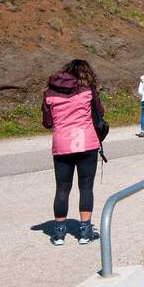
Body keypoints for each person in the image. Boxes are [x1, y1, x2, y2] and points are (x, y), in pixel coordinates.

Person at [42, 59, 104, 246]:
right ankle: (85, 232)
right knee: (85, 187)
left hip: (62, 145)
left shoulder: (49, 93)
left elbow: (47, 122)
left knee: (62, 188)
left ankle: (59, 233)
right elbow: (100, 112)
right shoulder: (88, 91)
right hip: (86, 142)